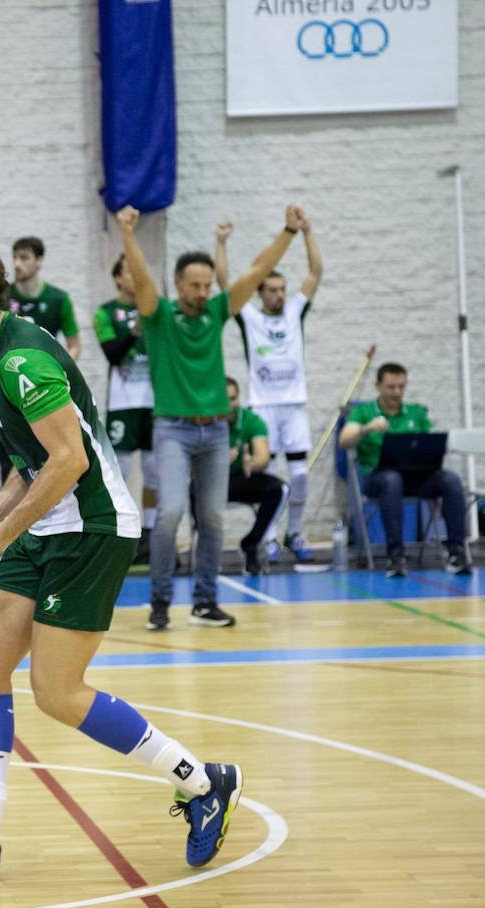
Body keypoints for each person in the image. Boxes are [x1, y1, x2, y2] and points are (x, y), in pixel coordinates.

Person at [0, 234, 242, 884]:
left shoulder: (23, 361)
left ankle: (203, 782)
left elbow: (70, 461)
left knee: (56, 692)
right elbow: (33, 465)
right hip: (50, 522)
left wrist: (4, 533)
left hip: (92, 527)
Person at [123, 205, 306, 630]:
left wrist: (289, 232)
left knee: (213, 518)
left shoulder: (218, 311)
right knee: (169, 514)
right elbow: (141, 276)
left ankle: (205, 602)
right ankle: (160, 602)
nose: (204, 291)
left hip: (216, 432)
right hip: (172, 430)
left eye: (208, 285)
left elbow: (259, 269)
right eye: (195, 285)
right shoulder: (160, 315)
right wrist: (127, 233)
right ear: (179, 285)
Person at [216, 216, 323, 564]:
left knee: (300, 474)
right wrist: (222, 244)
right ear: (260, 291)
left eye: (281, 289)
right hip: (264, 405)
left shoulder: (293, 312)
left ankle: (294, 533)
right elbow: (225, 283)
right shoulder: (249, 317)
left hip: (294, 405)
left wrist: (307, 233)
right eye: (272, 290)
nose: (279, 295)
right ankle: (270, 538)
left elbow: (315, 274)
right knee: (267, 475)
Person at [0, 237, 81, 484]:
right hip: (6, 392)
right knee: (11, 466)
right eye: (14, 257)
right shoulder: (3, 297)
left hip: (39, 390)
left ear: (39, 261)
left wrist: (61, 369)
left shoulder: (59, 300)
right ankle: (11, 522)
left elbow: (74, 344)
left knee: (49, 459)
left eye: (24, 258)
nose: (17, 264)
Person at [338, 362, 471, 577]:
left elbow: (426, 444)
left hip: (416, 477)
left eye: (401, 386)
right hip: (377, 478)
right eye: (391, 387)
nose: (397, 392)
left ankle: (456, 551)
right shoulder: (363, 412)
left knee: (450, 480)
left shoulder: (416, 413)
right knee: (392, 479)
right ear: (378, 386)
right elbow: (344, 441)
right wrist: (366, 428)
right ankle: (396, 555)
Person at [94, 254, 158, 560]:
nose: (136, 277)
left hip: (154, 404)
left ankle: (151, 535)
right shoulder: (106, 313)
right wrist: (134, 331)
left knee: (154, 470)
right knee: (120, 471)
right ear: (118, 278)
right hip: (122, 404)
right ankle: (122, 532)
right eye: (130, 273)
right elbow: (113, 355)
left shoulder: (155, 310)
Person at [216, 377, 288, 575]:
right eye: (224, 399)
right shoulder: (205, 421)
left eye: (233, 399)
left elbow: (263, 457)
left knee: (279, 489)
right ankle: (208, 551)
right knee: (193, 491)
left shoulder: (251, 421)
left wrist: (253, 462)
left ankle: (251, 544)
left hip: (239, 480)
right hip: (210, 480)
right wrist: (216, 460)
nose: (229, 405)